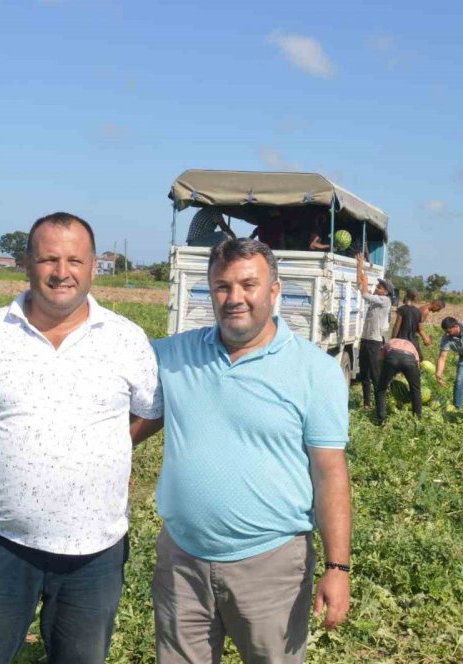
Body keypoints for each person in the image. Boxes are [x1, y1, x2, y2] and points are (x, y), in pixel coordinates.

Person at [0, 212, 160, 664]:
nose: (62, 272)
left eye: (75, 260)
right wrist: (10, 446)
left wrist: (107, 448)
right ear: (27, 264)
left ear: (95, 265)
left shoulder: (127, 339)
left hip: (94, 549)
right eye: (48, 259)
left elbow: (150, 413)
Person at [132, 238, 351, 663]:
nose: (235, 298)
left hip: (272, 566)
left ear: (274, 291)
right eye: (222, 287)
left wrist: (337, 568)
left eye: (248, 285)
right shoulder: (176, 354)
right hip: (182, 560)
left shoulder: (315, 371)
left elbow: (330, 473)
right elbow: (105, 359)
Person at [356, 253, 393, 410]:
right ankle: (366, 403)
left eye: (379, 287)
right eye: (377, 286)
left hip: (375, 341)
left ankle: (380, 405)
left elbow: (364, 294)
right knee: (364, 373)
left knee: (375, 375)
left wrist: (364, 280)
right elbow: (360, 287)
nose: (377, 288)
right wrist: (359, 266)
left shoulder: (385, 301)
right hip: (365, 339)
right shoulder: (376, 300)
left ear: (386, 292)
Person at [375, 337, 422, 424]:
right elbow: (417, 364)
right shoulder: (411, 346)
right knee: (416, 390)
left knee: (381, 389)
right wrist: (415, 380)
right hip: (410, 359)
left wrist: (382, 374)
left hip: (392, 357)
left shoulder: (389, 342)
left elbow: (379, 359)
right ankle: (418, 419)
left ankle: (381, 419)